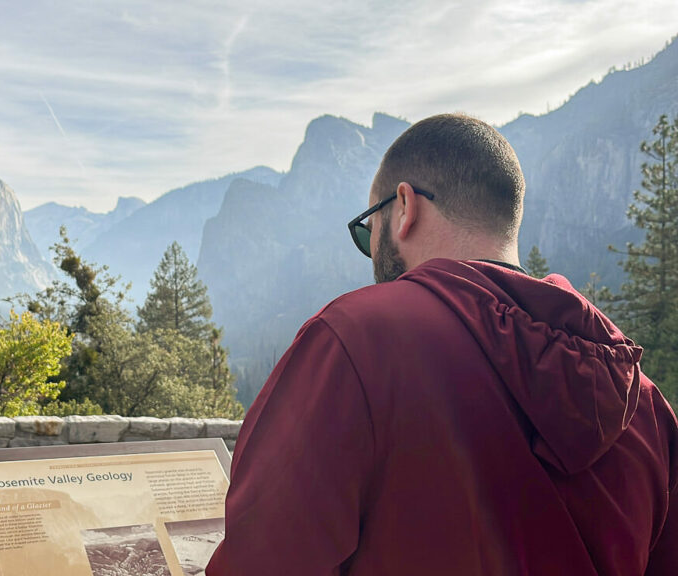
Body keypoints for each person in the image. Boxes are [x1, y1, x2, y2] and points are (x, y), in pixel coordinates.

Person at [205, 113, 678, 575]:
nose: (371, 250)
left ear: (406, 207)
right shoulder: (647, 406)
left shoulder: (355, 343)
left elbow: (260, 559)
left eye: (369, 227)